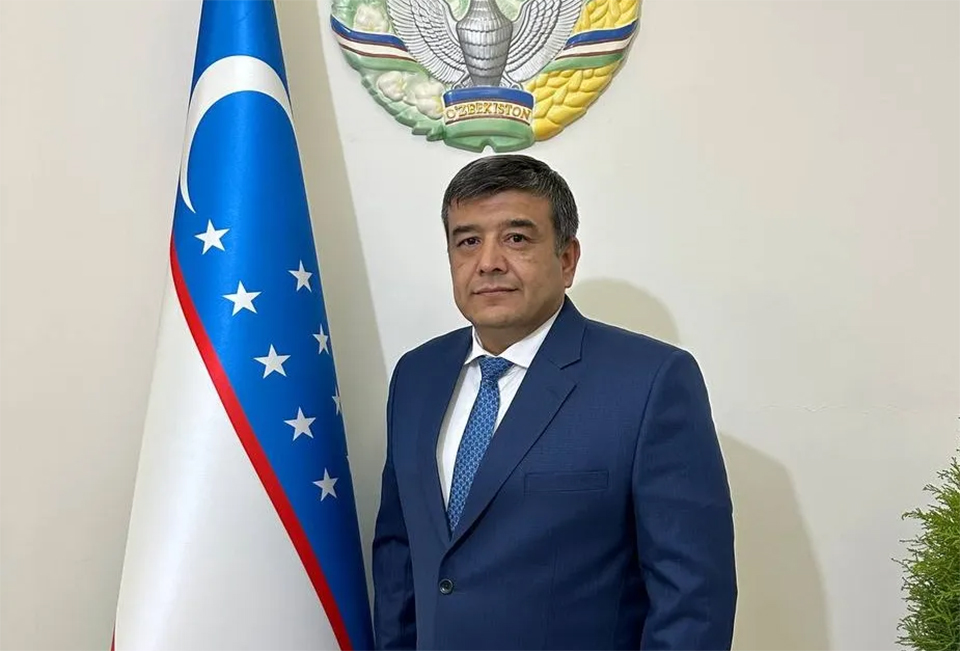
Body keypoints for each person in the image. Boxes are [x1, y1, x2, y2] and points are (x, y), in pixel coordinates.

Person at [372, 154, 737, 650]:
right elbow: (398, 558)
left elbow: (693, 599)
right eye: (468, 241)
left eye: (516, 239)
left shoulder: (650, 382)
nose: (489, 262)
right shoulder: (416, 376)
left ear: (566, 259)